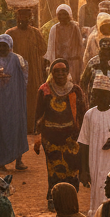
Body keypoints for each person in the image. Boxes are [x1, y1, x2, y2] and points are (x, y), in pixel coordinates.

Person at [77, 77, 110, 217]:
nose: (100, 98)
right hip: (94, 164)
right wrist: (83, 170)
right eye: (97, 94)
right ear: (93, 95)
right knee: (96, 198)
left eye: (104, 95)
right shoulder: (89, 115)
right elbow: (83, 143)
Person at [35, 59, 85, 200]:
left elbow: (82, 114)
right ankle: (53, 198)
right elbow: (38, 115)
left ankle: (70, 199)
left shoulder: (76, 90)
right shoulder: (44, 90)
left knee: (72, 169)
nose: (60, 74)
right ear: (51, 73)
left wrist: (83, 136)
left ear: (68, 72)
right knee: (54, 170)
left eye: (63, 70)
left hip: (71, 138)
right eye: (56, 71)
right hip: (51, 139)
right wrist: (38, 136)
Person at [0, 32, 29, 172]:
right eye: (0, 46)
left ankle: (19, 160)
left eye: (5, 46)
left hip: (14, 101)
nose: (2, 48)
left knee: (16, 127)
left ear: (10, 46)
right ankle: (1, 163)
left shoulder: (16, 59)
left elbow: (24, 77)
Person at [6, 9, 48, 131]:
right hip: (16, 72)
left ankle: (32, 126)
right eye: (21, 19)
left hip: (33, 72)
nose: (23, 22)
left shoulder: (36, 33)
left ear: (30, 20)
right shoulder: (10, 33)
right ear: (17, 19)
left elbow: (43, 49)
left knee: (33, 98)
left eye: (26, 19)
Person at [44, 4, 84, 85]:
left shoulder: (75, 28)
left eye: (65, 14)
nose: (62, 16)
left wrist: (80, 64)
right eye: (60, 14)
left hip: (73, 64)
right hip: (59, 65)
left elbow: (80, 46)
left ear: (69, 15)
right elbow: (51, 48)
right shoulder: (54, 29)